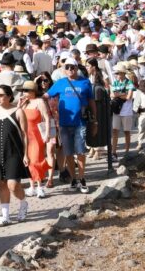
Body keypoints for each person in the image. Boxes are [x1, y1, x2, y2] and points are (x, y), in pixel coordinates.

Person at [45, 57, 97, 193]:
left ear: (77, 68)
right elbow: (46, 95)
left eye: (72, 67)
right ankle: (73, 178)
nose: (70, 69)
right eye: (67, 67)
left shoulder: (85, 82)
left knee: (80, 152)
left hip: (80, 122)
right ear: (63, 69)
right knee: (68, 153)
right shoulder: (60, 83)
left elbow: (92, 102)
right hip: (64, 124)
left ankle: (82, 178)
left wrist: (95, 120)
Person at [0, 85, 29, 225]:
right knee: (1, 184)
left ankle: (23, 203)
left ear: (9, 96)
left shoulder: (18, 112)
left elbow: (24, 134)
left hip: (14, 153)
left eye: (1, 95)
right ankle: (5, 216)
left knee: (12, 185)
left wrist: (26, 154)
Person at [19, 81, 51, 199]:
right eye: (23, 91)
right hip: (25, 136)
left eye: (26, 90)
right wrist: (19, 104)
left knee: (36, 160)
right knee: (27, 161)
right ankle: (32, 186)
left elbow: (47, 117)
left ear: (33, 91)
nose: (24, 93)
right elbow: (17, 117)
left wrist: (47, 133)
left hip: (36, 135)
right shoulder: (24, 104)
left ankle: (40, 186)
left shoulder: (39, 102)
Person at [85, 58, 110, 160]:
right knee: (91, 125)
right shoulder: (88, 76)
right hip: (91, 101)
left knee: (99, 125)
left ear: (93, 67)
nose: (87, 68)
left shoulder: (101, 74)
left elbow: (107, 87)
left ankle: (98, 150)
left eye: (88, 66)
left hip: (99, 102)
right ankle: (92, 148)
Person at [110, 63, 135, 159]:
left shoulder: (129, 83)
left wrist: (117, 94)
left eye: (119, 73)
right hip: (117, 111)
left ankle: (127, 151)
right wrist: (122, 94)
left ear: (123, 73)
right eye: (117, 73)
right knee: (115, 131)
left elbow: (129, 97)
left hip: (127, 111)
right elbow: (112, 95)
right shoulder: (115, 82)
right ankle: (114, 152)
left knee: (126, 131)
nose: (117, 75)